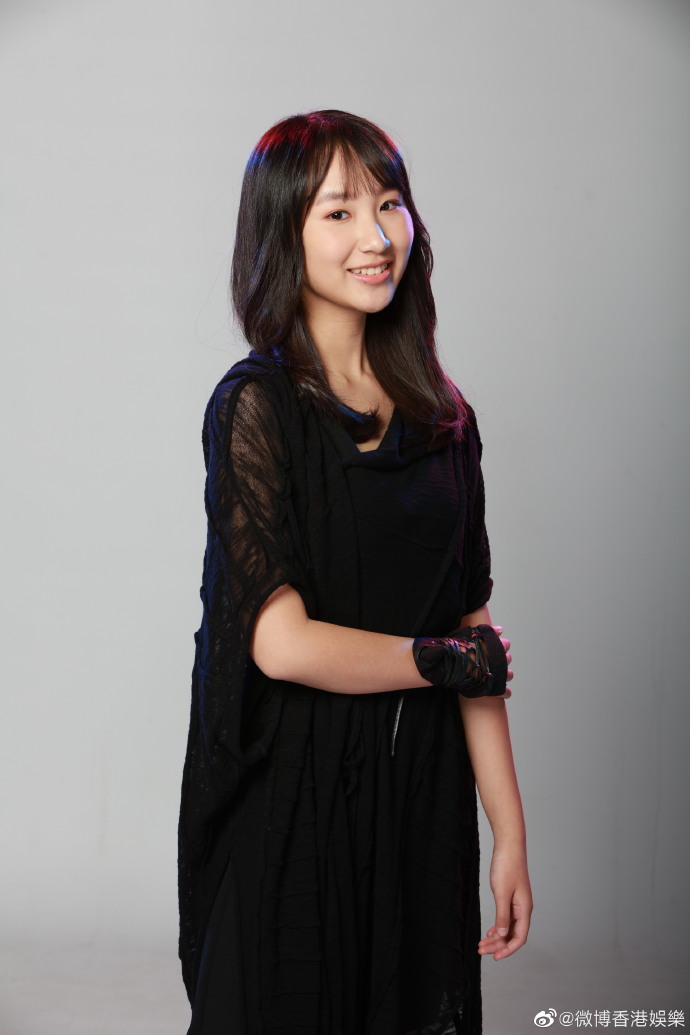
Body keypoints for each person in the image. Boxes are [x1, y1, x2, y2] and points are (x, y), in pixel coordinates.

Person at [177, 109, 533, 1035]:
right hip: (287, 802)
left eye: (389, 204)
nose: (376, 237)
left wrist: (509, 832)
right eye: (338, 212)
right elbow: (281, 643)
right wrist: (441, 660)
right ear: (284, 234)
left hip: (419, 799)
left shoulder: (446, 418)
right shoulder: (255, 406)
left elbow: (473, 627)